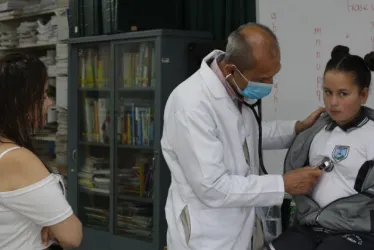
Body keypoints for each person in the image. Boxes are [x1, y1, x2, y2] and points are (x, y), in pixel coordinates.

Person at [161, 22, 324, 250]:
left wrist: (297, 128)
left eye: (273, 76)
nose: (270, 84)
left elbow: (247, 135)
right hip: (207, 238)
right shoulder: (191, 105)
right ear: (230, 70)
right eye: (264, 78)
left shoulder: (232, 89)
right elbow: (212, 187)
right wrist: (283, 183)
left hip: (242, 229)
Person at [267, 45, 374, 250]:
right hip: (311, 227)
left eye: (343, 94)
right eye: (327, 92)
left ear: (363, 95)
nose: (333, 102)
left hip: (357, 231)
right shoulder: (314, 133)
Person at [0, 53, 82, 249]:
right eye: (43, 95)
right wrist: (52, 223)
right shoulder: (17, 159)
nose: (49, 103)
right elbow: (72, 236)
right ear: (22, 102)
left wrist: (49, 222)